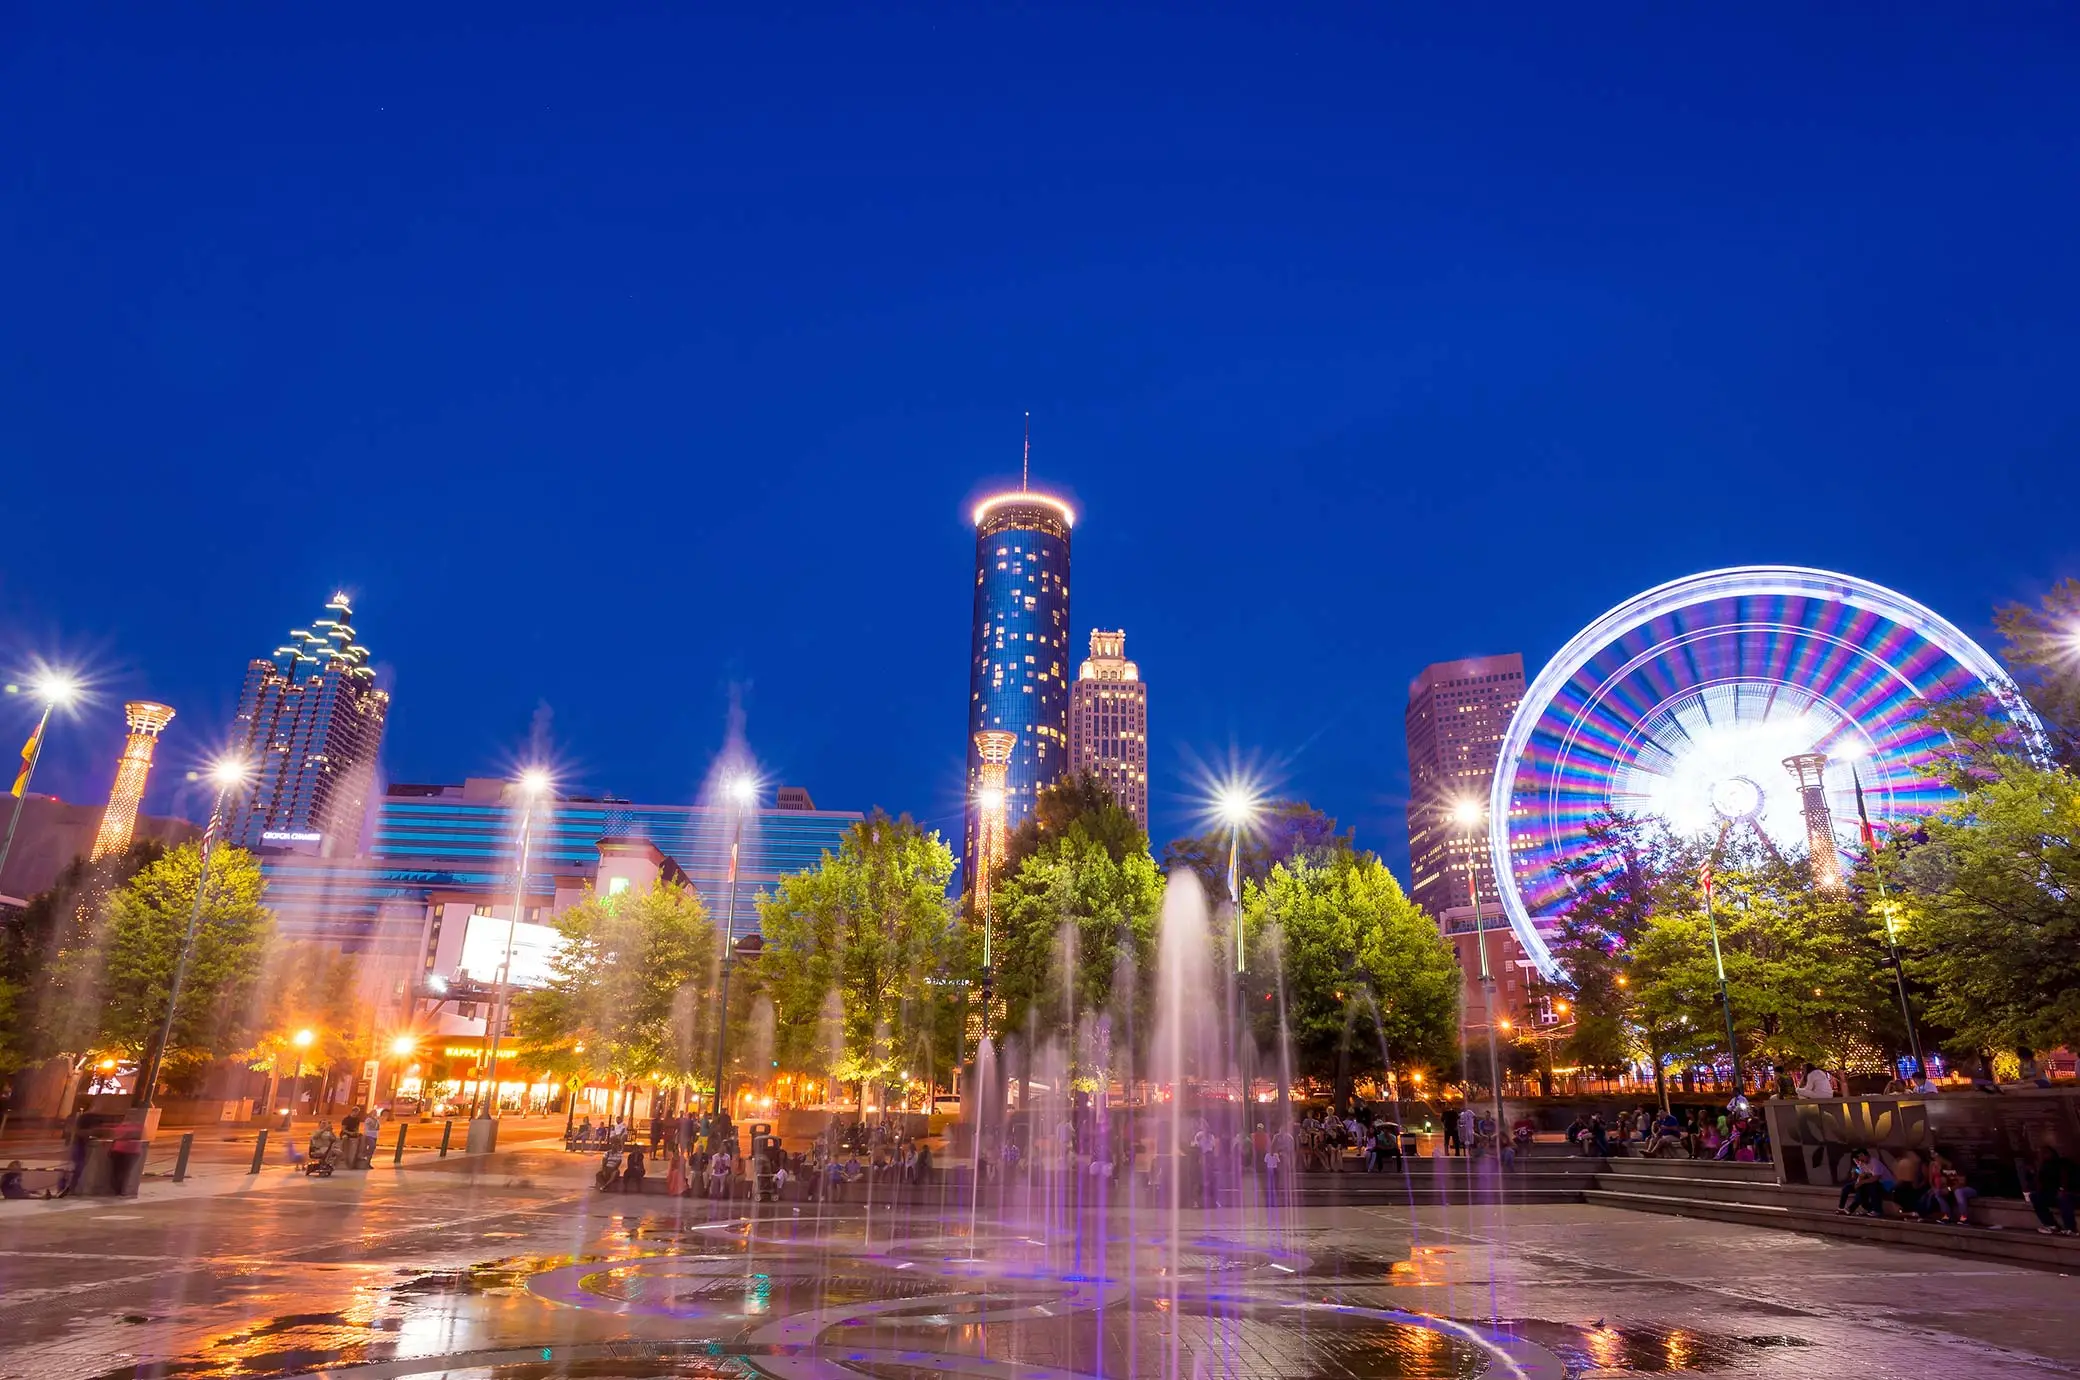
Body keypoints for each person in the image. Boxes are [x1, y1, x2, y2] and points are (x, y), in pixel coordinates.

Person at [2029, 1140, 2076, 1235]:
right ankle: (2051, 1225)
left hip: (2070, 1194)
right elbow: (2040, 1186)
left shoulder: (2063, 1164)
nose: (2042, 1155)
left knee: (2064, 1197)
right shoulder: (2043, 1167)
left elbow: (2066, 1179)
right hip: (2054, 1194)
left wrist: (2062, 1189)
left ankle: (2071, 1229)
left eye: (2045, 1153)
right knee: (2034, 1196)